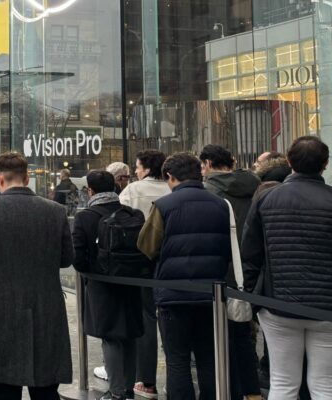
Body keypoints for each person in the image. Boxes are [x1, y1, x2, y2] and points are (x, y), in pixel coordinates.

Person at [0, 151, 74, 400]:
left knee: (3, 391)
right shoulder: (55, 211)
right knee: (46, 391)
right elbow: (67, 259)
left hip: (0, 311)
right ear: (27, 179)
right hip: (46, 311)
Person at [243, 136, 332, 400]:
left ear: (289, 161)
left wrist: (251, 296)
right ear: (325, 164)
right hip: (327, 307)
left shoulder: (267, 198)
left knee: (282, 382)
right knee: (325, 384)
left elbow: (251, 253)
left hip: (277, 302)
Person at [137, 153, 231, 400]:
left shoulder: (164, 206)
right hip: (211, 292)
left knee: (177, 359)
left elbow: (147, 246)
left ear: (170, 176)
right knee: (209, 357)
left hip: (173, 294)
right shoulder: (220, 204)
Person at [72, 170, 143, 400]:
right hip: (131, 282)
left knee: (110, 336)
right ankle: (129, 389)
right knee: (129, 334)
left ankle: (116, 391)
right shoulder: (131, 214)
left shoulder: (85, 217)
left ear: (90, 191)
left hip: (101, 284)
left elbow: (78, 256)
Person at [199, 144, 263, 400]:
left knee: (219, 338)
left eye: (202, 166)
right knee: (243, 335)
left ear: (209, 164)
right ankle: (252, 390)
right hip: (249, 269)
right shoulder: (256, 186)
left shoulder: (209, 191)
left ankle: (230, 391)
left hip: (220, 269)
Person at [117, 149, 169, 399]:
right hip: (171, 261)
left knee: (146, 319)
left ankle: (146, 379)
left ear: (146, 168)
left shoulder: (132, 191)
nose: (135, 171)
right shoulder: (172, 189)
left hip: (140, 261)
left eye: (137, 167)